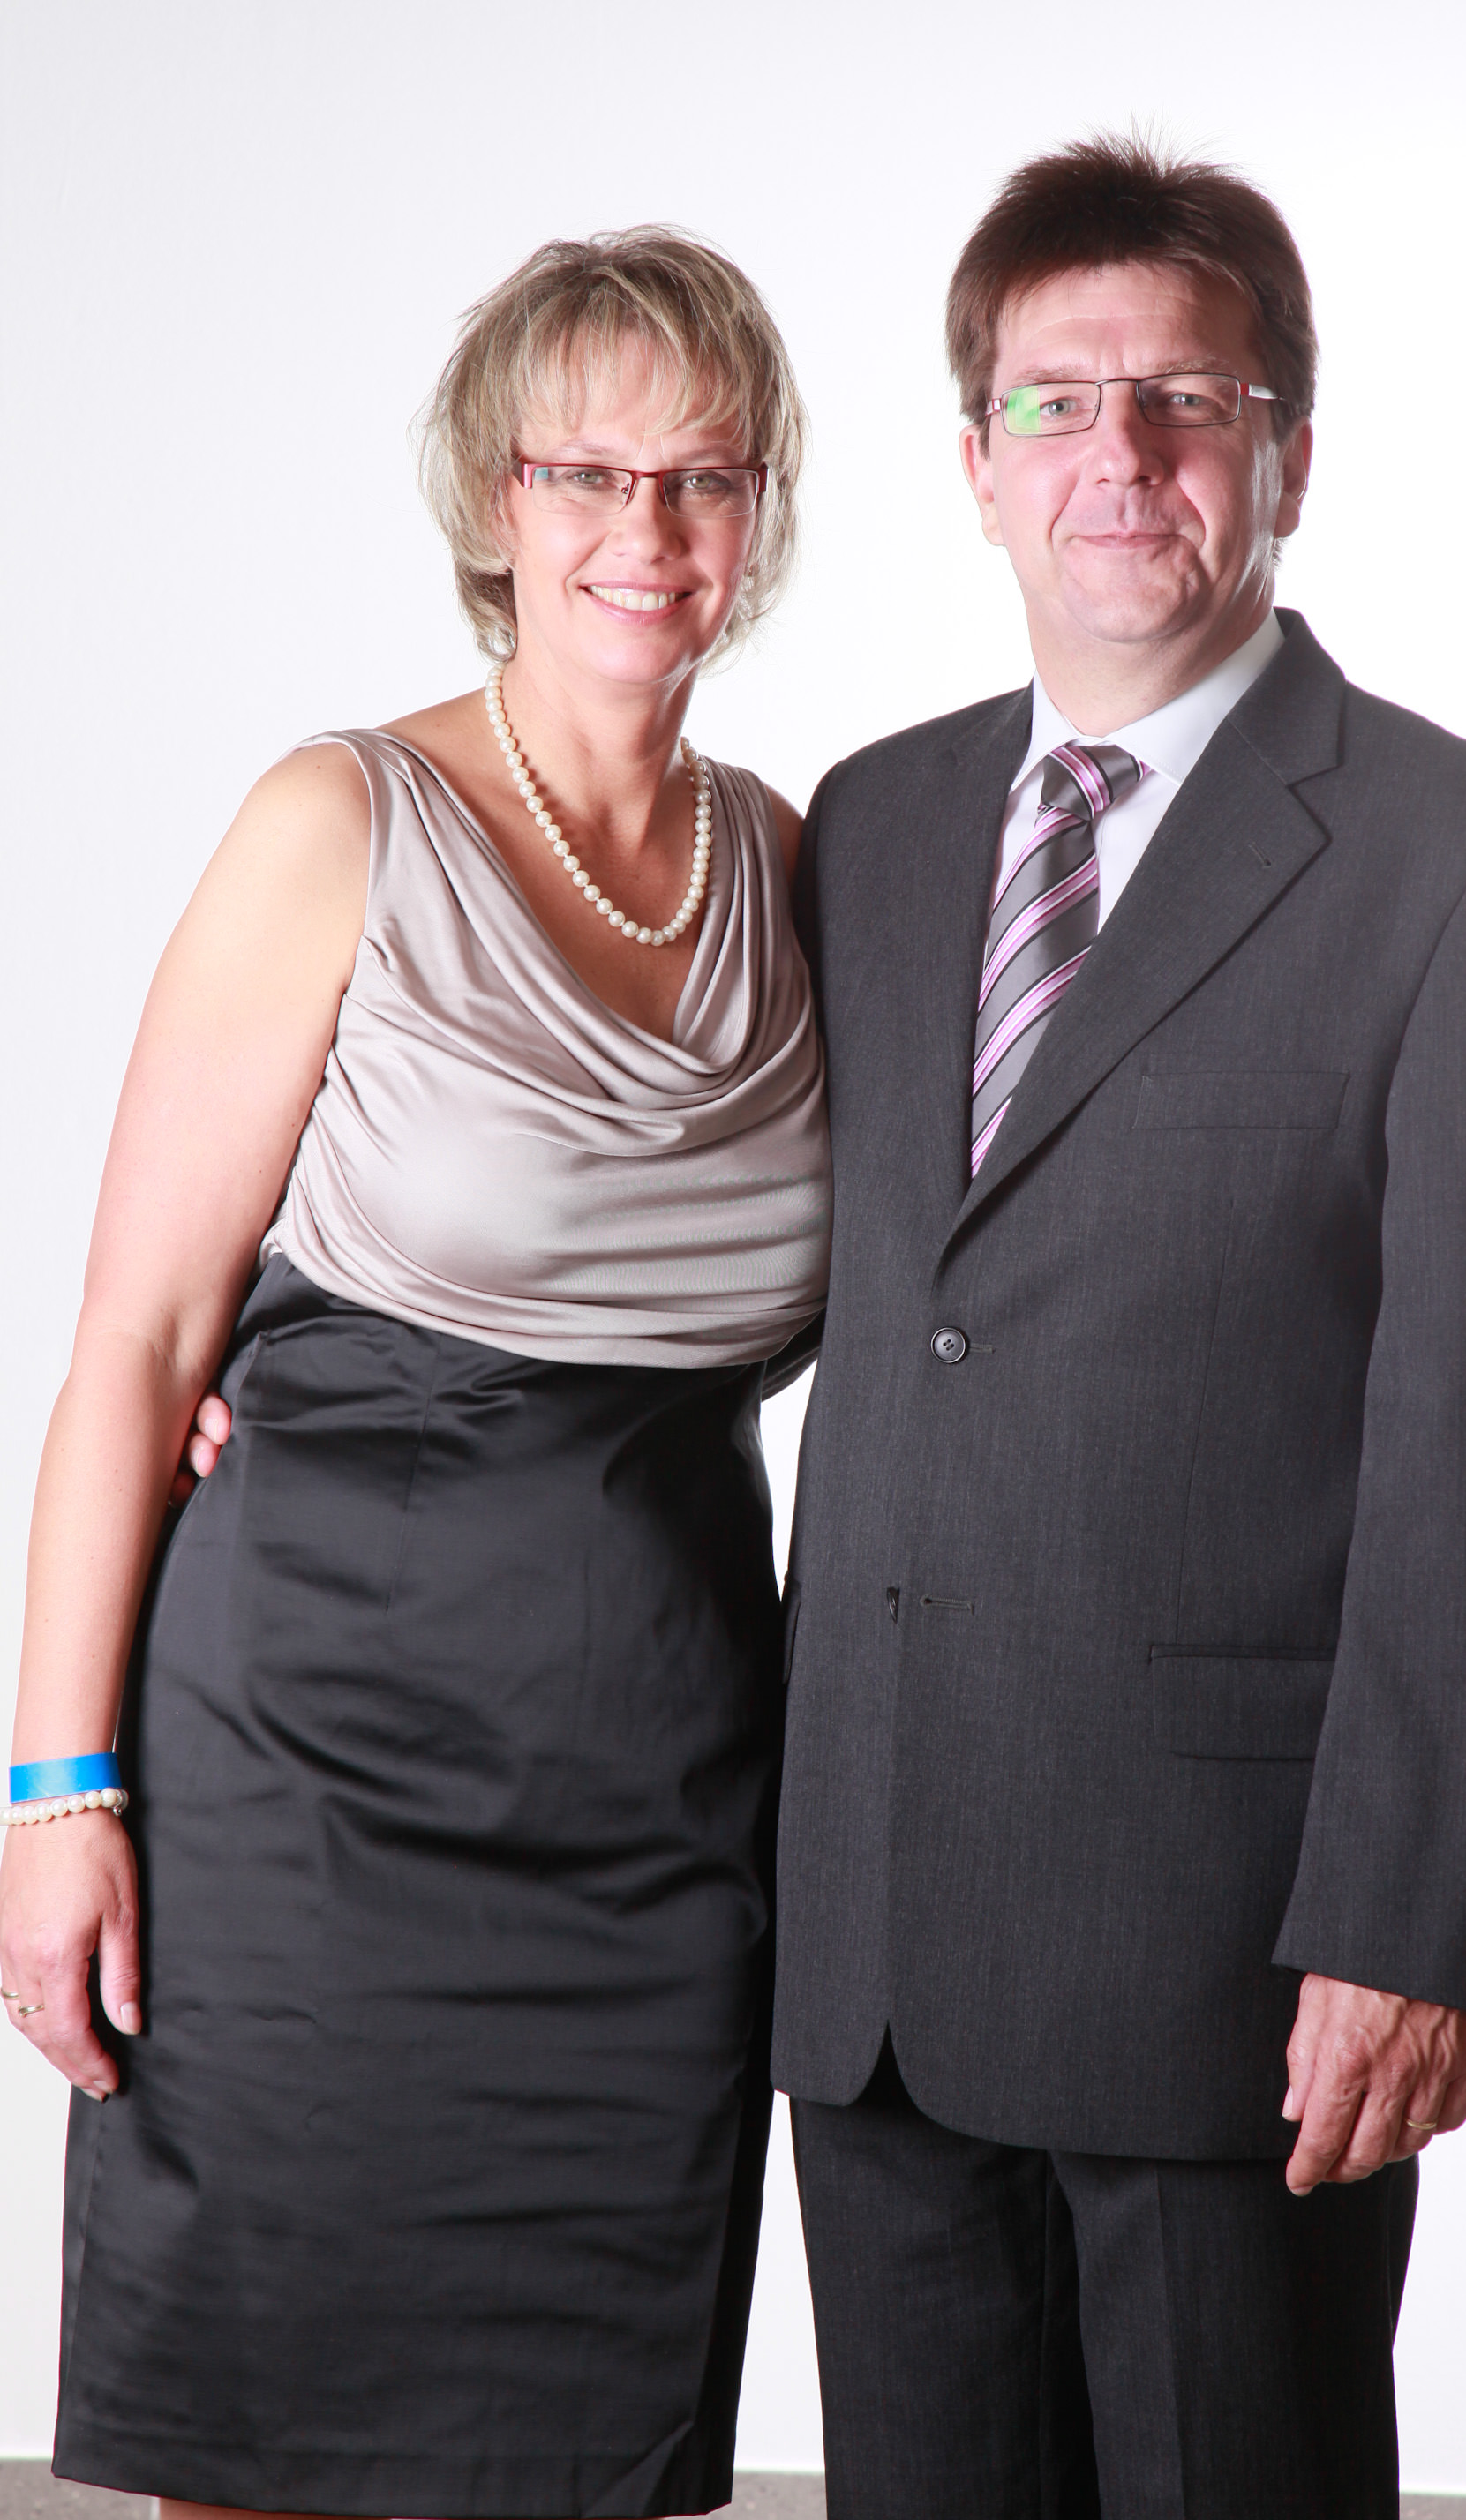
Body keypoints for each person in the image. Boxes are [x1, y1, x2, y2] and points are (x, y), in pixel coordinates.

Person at [773, 136, 1466, 2520]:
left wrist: (1412, 1922)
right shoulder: (873, 828)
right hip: (874, 1947)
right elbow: (781, 1262)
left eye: (1186, 398)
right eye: (1055, 403)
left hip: (1233, 1972)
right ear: (976, 465)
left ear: (1291, 454)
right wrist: (330, 1386)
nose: (1119, 454)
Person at [0, 229, 829, 2520]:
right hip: (311, 1790)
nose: (646, 532)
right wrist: (54, 1801)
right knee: (265, 2457)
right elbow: (137, 1343)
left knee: (589, 2461)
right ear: (492, 502)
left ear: (759, 513)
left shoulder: (792, 862)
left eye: (703, 477)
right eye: (585, 474)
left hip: (666, 1805)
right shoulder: (336, 822)